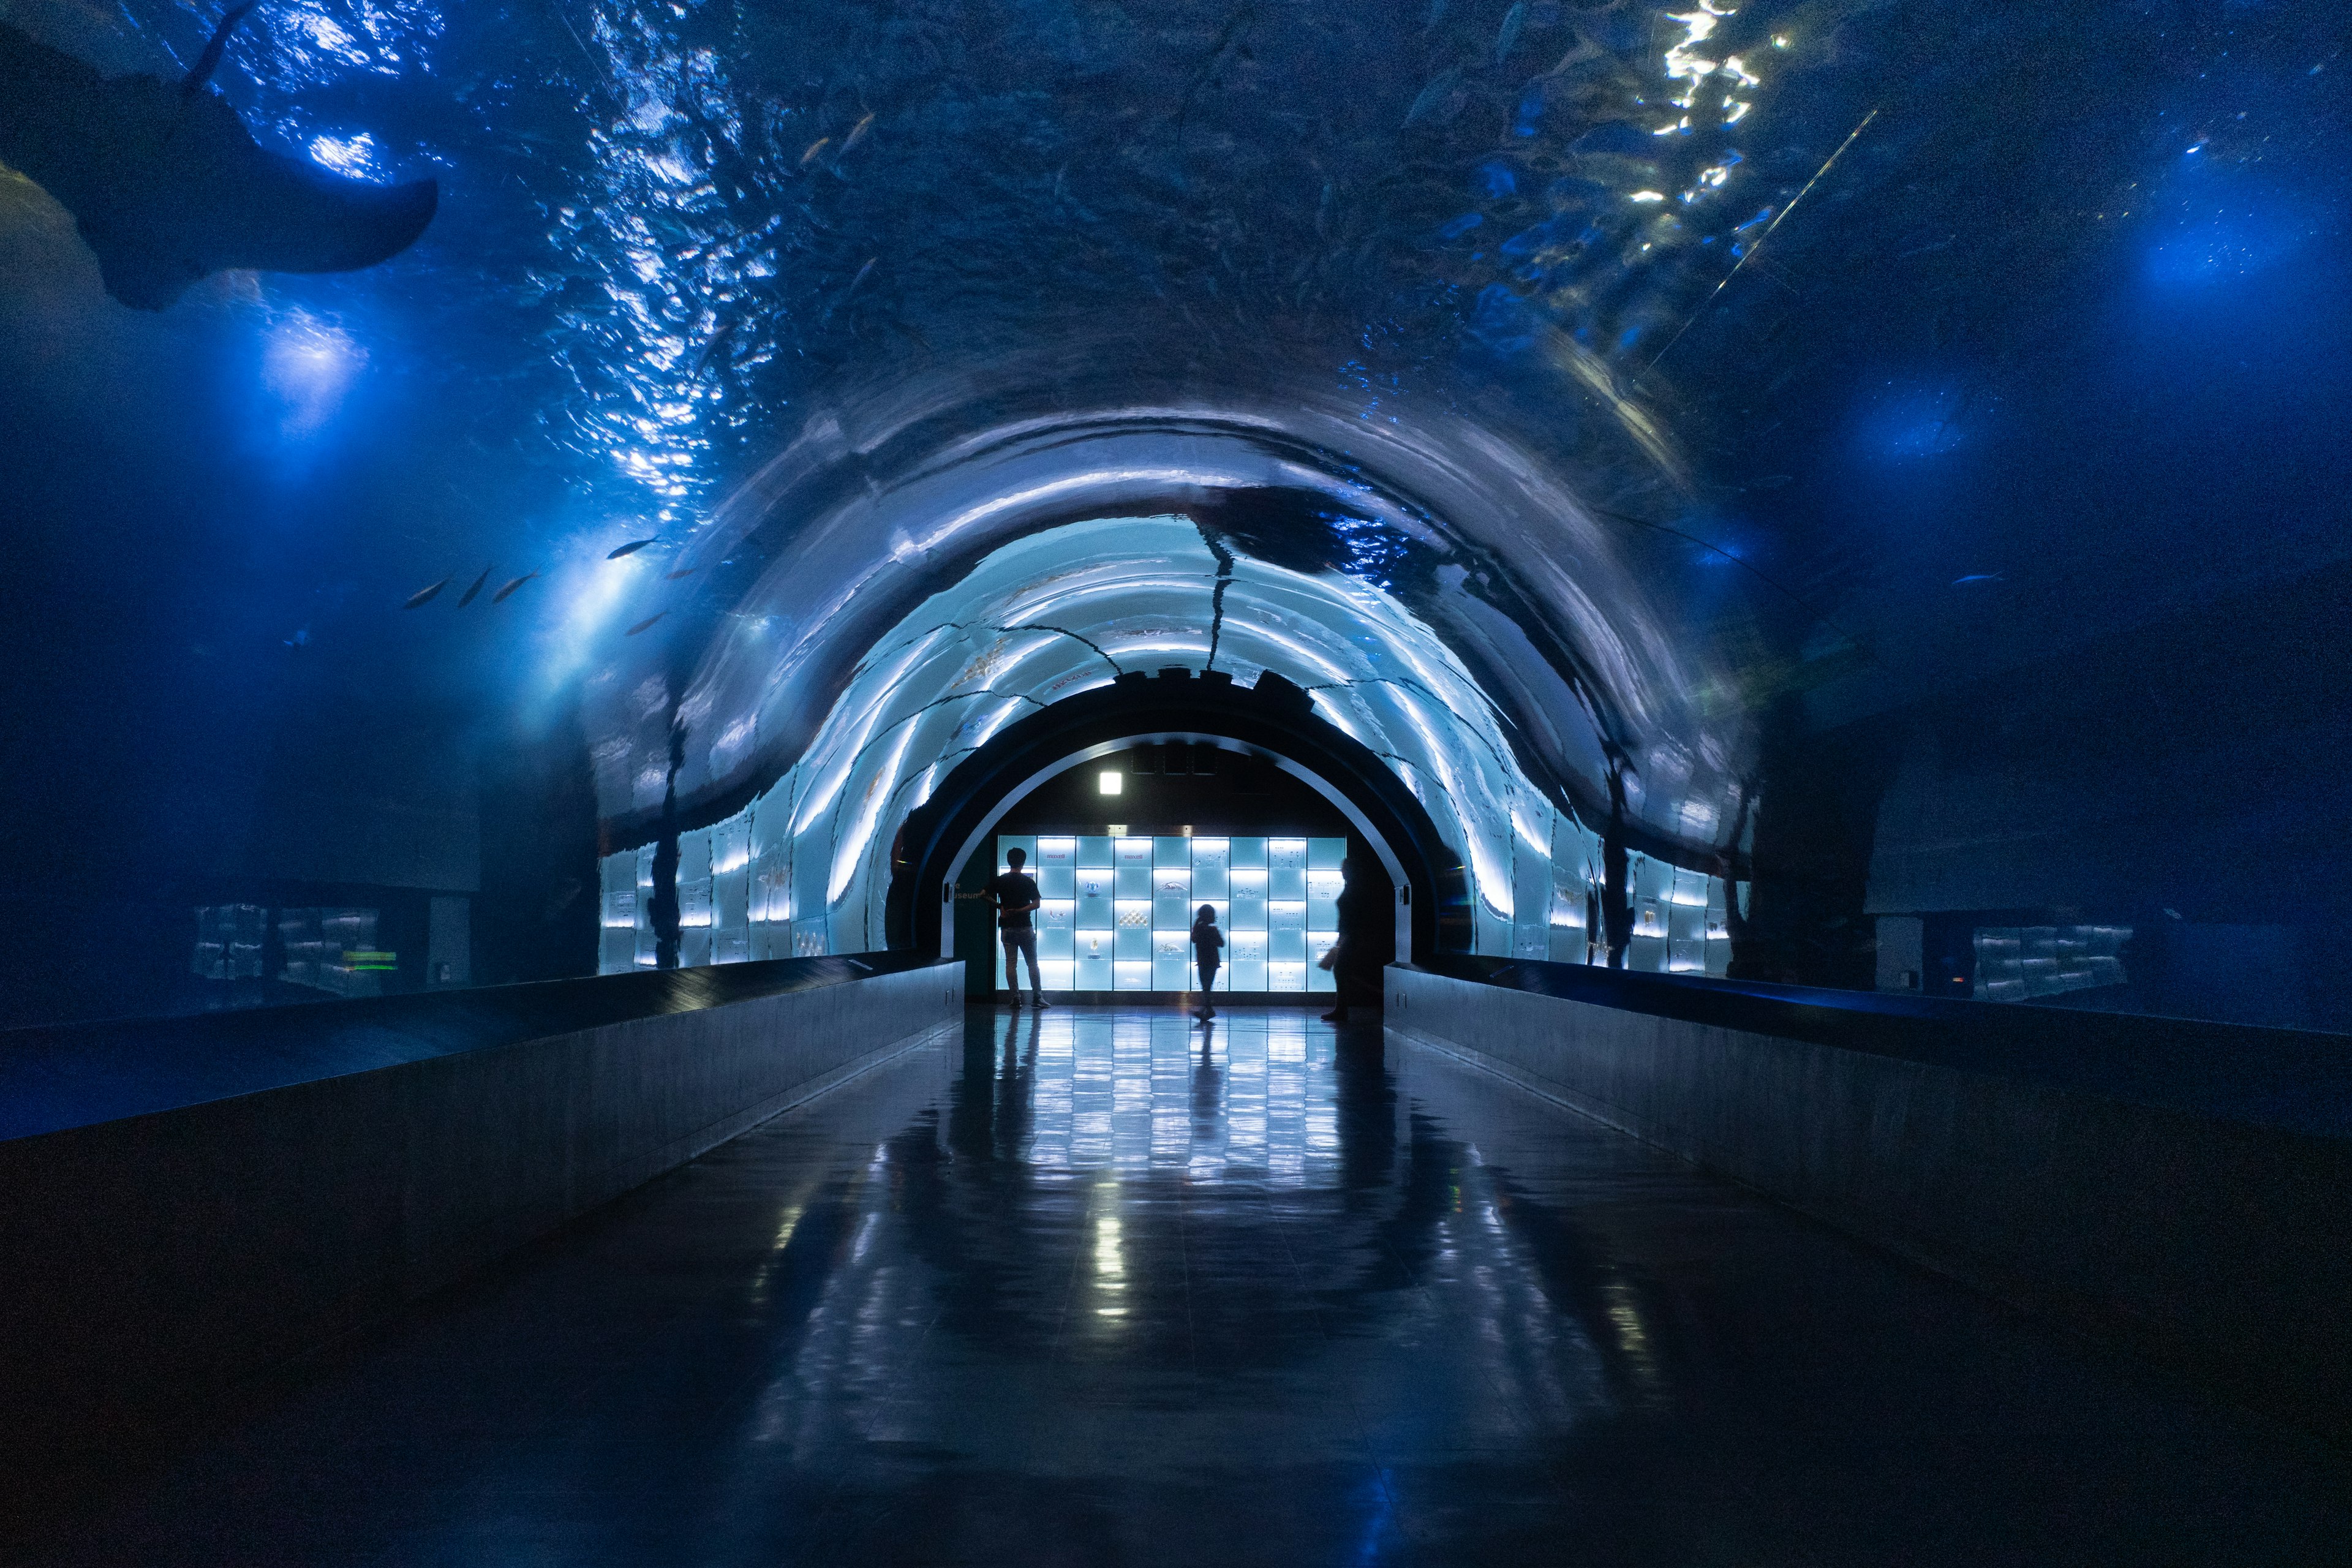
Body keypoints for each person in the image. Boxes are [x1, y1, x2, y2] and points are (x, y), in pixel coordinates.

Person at [989, 848, 1049, 1008]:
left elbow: (982, 894)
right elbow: (1036, 904)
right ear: (1023, 862)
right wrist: (1020, 910)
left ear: (1009, 861)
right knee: (1032, 963)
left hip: (1007, 928)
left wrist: (999, 906)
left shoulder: (1001, 880)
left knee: (1011, 964)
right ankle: (1037, 997)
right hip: (1025, 927)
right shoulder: (1028, 882)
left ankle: (1015, 998)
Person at [1190, 902, 1225, 1020]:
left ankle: (1207, 1010)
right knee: (1207, 987)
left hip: (1203, 961)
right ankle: (1208, 1010)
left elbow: (1194, 939)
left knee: (1206, 987)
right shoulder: (1212, 930)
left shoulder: (1199, 929)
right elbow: (1221, 943)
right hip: (1212, 962)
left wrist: (1197, 924)